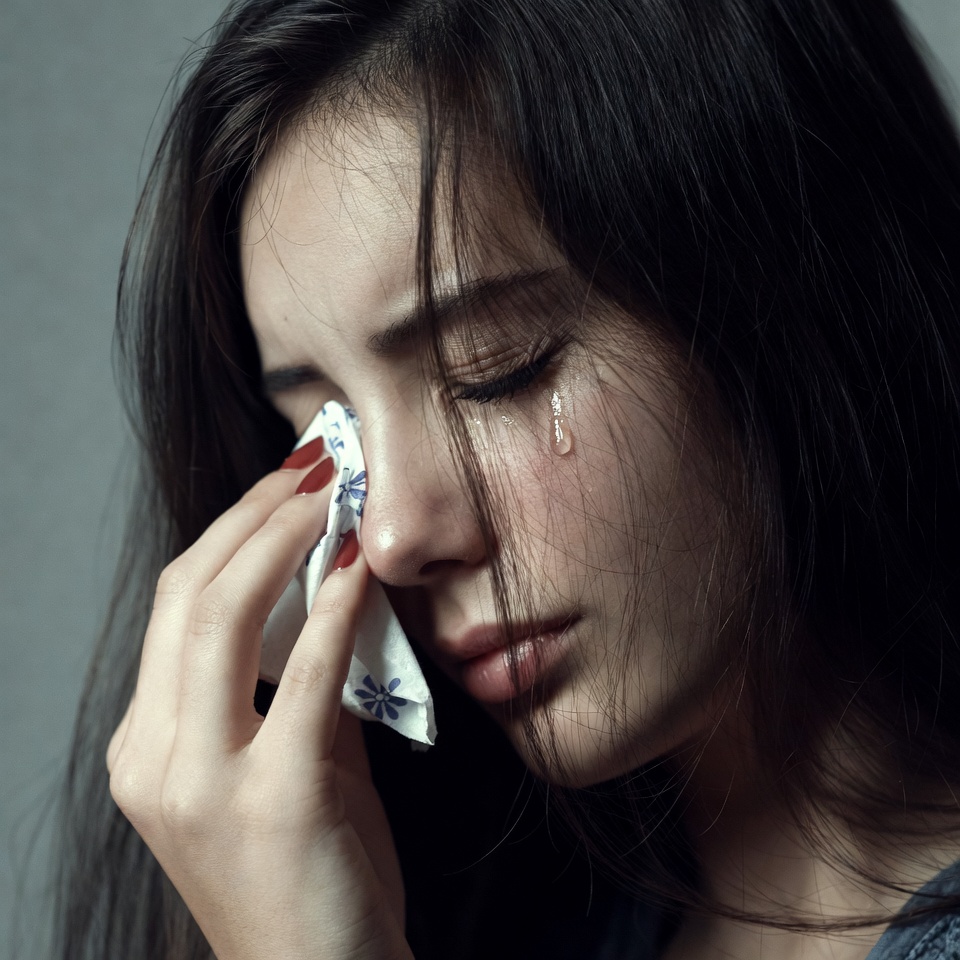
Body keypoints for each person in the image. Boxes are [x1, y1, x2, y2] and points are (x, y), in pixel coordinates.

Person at [51, 0, 960, 957]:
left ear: (787, 286)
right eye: (331, 435)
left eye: (497, 369)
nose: (395, 537)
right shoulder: (502, 913)